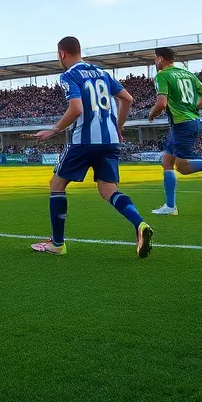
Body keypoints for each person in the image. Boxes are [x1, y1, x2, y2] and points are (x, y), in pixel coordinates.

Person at [31, 36, 152, 258]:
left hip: (85, 141)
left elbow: (76, 108)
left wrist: (54, 130)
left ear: (62, 54)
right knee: (109, 190)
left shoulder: (69, 75)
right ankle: (140, 224)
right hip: (110, 140)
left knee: (57, 184)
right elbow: (127, 99)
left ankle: (57, 244)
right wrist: (118, 128)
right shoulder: (102, 73)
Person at [148, 47, 202, 216]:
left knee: (182, 167)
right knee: (167, 162)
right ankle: (170, 206)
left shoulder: (162, 75)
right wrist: (194, 108)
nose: (155, 62)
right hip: (190, 123)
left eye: (155, 58)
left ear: (160, 59)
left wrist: (152, 114)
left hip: (182, 124)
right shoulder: (188, 74)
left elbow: (161, 103)